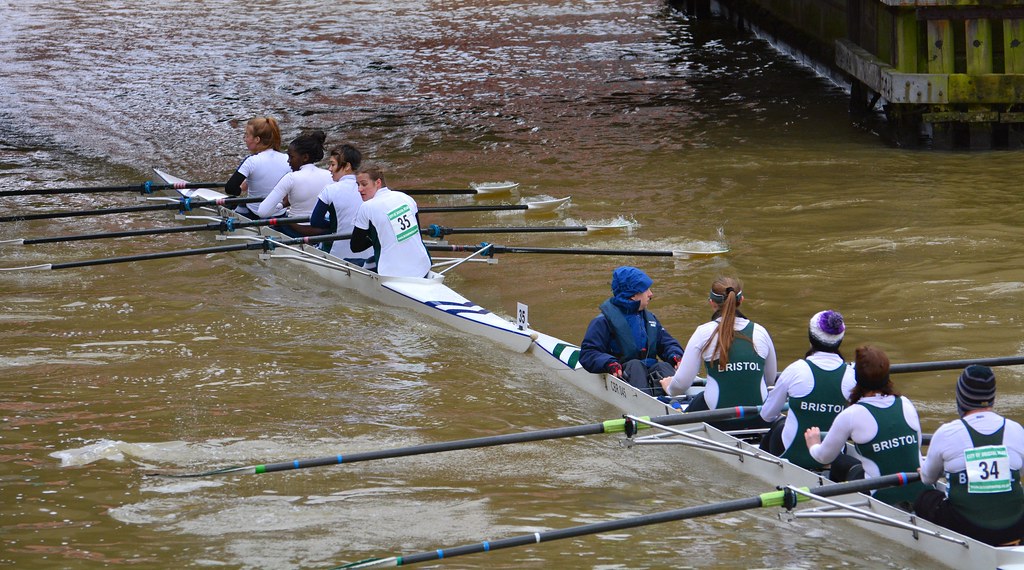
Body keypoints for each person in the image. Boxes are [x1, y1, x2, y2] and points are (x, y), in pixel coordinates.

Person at [804, 345, 932, 509]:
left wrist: (813, 443)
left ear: (857, 378)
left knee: (838, 462)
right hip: (922, 493)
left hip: (881, 497)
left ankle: (840, 506)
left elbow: (823, 457)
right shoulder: (906, 403)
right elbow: (916, 448)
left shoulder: (851, 414)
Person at [915, 365, 1024, 545]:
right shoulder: (1016, 430)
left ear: (960, 398)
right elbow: (1019, 473)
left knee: (925, 498)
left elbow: (928, 478)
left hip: (967, 527)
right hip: (1015, 526)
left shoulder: (946, 433)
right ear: (992, 398)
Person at [660, 276, 776, 429]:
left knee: (691, 399)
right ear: (741, 301)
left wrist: (669, 388)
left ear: (711, 303)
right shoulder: (761, 332)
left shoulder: (703, 333)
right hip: (757, 418)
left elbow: (681, 384)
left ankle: (677, 407)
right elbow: (770, 380)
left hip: (718, 419)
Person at [759, 310, 856, 469]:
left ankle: (761, 466)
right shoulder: (852, 376)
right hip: (834, 459)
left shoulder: (796, 370)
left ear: (811, 338)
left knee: (779, 423)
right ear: (840, 340)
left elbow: (767, 415)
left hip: (792, 454)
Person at [579, 266, 683, 396]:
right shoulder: (602, 322)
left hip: (650, 371)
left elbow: (667, 343)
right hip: (624, 373)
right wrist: (609, 363)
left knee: (664, 367)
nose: (651, 294)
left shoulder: (650, 319)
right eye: (646, 290)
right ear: (633, 295)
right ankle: (648, 402)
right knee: (635, 366)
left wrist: (676, 355)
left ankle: (677, 399)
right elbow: (588, 353)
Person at [350, 165, 431, 277]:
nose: (359, 189)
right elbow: (418, 234)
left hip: (391, 274)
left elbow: (355, 246)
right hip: (423, 266)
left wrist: (374, 236)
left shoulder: (367, 207)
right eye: (358, 185)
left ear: (378, 182)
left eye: (364, 184)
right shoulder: (405, 198)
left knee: (360, 262)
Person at [255, 130, 333, 237]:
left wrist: (282, 204)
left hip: (297, 230)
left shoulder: (291, 178)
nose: (288, 161)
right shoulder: (330, 175)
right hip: (323, 230)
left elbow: (263, 212)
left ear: (305, 157)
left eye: (291, 157)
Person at [309, 144, 370, 265]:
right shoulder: (370, 189)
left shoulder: (330, 190)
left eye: (332, 164)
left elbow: (315, 222)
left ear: (347, 166)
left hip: (338, 254)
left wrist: (333, 225)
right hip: (368, 252)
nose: (329, 169)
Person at [224, 117, 291, 219]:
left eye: (246, 135)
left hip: (254, 214)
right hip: (279, 213)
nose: (245, 139)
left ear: (257, 139)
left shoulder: (251, 161)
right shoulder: (289, 159)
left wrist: (240, 190)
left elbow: (230, 188)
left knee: (230, 200)